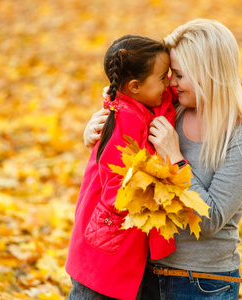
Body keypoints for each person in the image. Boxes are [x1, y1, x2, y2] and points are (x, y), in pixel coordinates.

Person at [83, 19, 242, 299]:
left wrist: (175, 157)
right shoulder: (171, 109)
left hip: (203, 283)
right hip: (145, 275)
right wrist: (96, 127)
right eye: (169, 74)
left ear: (209, 75)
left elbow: (211, 219)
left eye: (179, 75)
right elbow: (127, 110)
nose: (171, 82)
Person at [65, 35, 178, 300]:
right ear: (135, 86)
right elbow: (118, 189)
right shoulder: (125, 118)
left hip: (121, 250)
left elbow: (167, 97)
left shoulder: (140, 104)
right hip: (105, 249)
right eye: (164, 77)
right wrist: (157, 189)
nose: (170, 83)